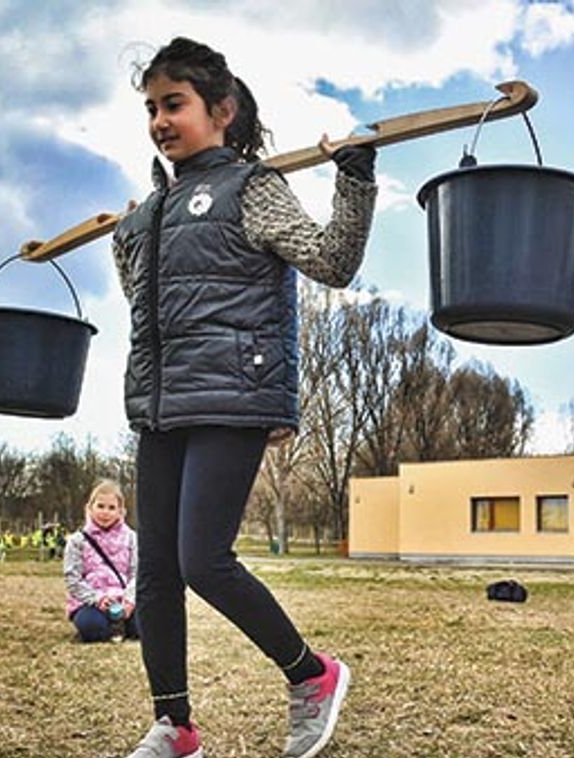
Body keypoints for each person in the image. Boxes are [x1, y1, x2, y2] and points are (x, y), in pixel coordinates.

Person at [112, 37, 375, 758]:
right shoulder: (149, 212)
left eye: (174, 105)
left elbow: (333, 262)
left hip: (232, 392)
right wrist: (130, 238)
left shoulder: (250, 187)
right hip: (160, 401)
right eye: (151, 109)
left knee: (203, 560)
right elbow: (143, 303)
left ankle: (311, 675)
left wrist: (354, 181)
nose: (160, 121)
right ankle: (175, 725)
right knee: (156, 574)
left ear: (220, 111)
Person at [64, 480, 139, 643]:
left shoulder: (132, 538)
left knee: (144, 626)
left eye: (112, 508)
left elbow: (137, 573)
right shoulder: (77, 541)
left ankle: (122, 626)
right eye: (100, 506)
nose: (105, 512)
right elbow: (72, 579)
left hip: (124, 599)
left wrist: (129, 600)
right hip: (90, 602)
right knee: (92, 627)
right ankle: (107, 629)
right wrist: (97, 598)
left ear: (121, 512)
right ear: (90, 508)